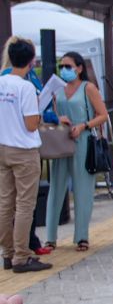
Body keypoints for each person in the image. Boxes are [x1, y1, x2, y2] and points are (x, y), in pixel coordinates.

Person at [44, 51, 109, 251]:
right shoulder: (58, 90)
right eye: (62, 66)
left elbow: (103, 115)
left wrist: (84, 126)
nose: (64, 70)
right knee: (56, 187)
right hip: (61, 140)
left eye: (68, 66)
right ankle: (50, 237)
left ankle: (82, 236)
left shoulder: (88, 88)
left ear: (79, 68)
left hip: (82, 140)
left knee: (83, 189)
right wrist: (57, 119)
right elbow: (52, 112)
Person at [0, 37, 53, 272]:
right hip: (23, 149)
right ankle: (22, 255)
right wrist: (41, 113)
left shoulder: (1, 82)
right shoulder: (26, 87)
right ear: (32, 61)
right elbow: (31, 124)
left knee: (4, 203)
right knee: (24, 204)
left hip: (2, 147)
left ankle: (7, 253)